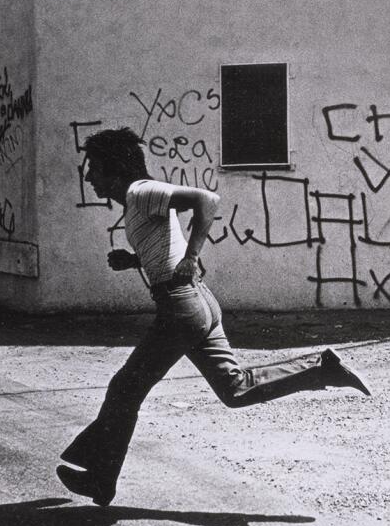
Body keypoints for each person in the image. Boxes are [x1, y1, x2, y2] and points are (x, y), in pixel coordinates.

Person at [57, 127, 371, 506]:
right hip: (199, 302)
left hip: (182, 308)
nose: (89, 177)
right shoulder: (136, 202)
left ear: (114, 169)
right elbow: (165, 246)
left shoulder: (141, 191)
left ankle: (101, 477)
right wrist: (135, 260)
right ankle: (321, 367)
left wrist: (191, 257)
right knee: (234, 389)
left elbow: (207, 199)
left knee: (125, 388)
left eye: (94, 168)